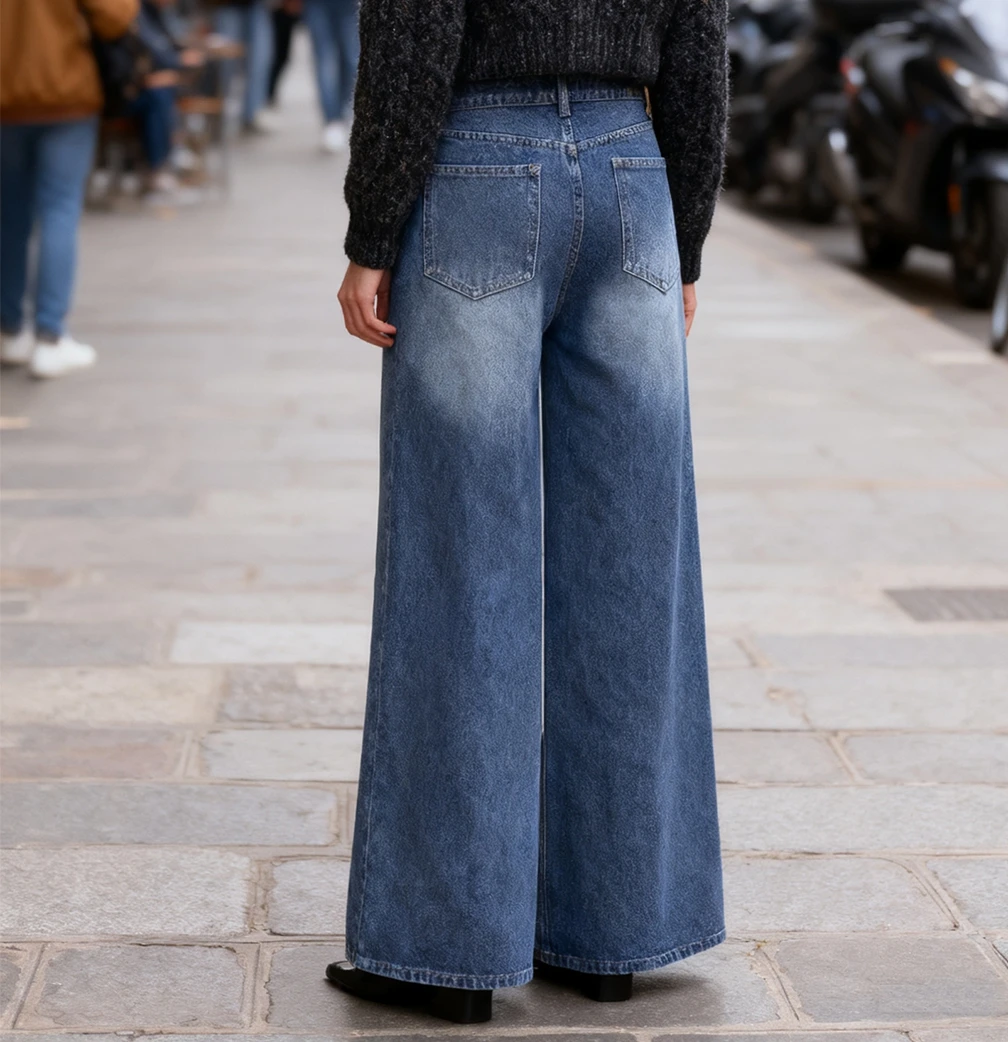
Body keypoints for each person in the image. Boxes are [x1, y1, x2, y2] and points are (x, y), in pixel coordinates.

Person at [329, 0, 728, 1027]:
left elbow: (416, 35)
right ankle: (613, 935)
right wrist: (685, 231)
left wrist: (374, 226)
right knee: (631, 572)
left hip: (476, 172)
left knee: (460, 563)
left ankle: (443, 948)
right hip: (633, 177)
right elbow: (698, 50)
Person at [0, 0, 139, 379]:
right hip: (65, 92)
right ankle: (50, 336)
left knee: (10, 217)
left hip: (6, 97)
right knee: (59, 210)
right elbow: (116, 16)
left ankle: (9, 329)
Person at [131, 0, 205, 203]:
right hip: (126, 87)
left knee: (169, 88)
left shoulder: (154, 13)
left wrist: (178, 57)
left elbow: (165, 45)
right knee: (160, 94)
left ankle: (175, 153)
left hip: (142, 81)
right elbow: (153, 48)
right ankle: (160, 166)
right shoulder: (135, 11)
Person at [207, 0, 273, 134]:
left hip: (256, 6)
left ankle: (252, 113)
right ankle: (216, 111)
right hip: (227, 5)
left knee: (259, 60)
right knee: (224, 62)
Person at [302, 0, 358, 153]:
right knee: (324, 61)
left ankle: (342, 111)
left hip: (349, 5)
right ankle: (332, 120)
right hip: (317, 4)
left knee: (351, 62)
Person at [267, 0, 302, 108]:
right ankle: (268, 93)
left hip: (283, 9)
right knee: (274, 56)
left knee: (281, 56)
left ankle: (269, 93)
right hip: (276, 8)